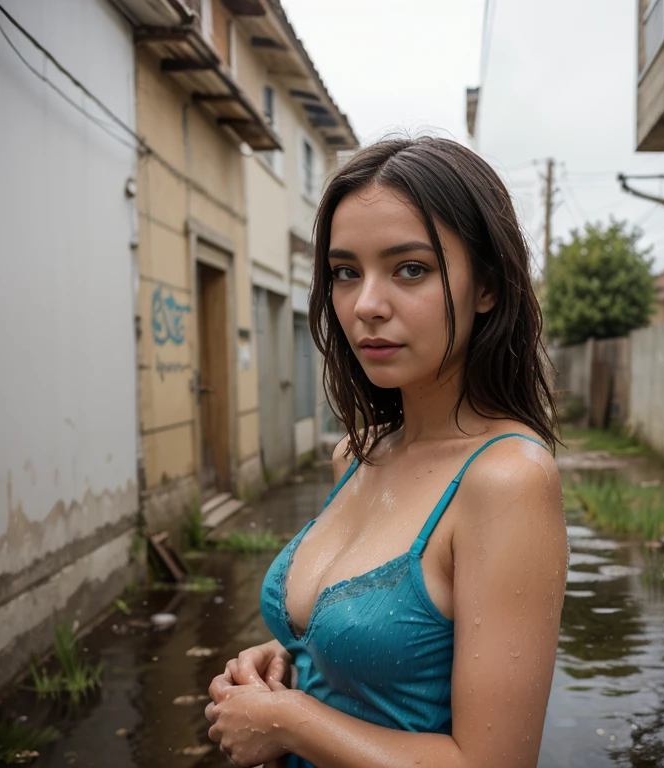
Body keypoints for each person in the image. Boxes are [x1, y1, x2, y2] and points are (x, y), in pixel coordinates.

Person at [205, 136, 569, 768]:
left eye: (410, 269)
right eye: (346, 272)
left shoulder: (508, 482)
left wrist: (290, 720)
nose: (366, 305)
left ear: (486, 285)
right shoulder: (359, 454)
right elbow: (387, 650)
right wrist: (292, 663)